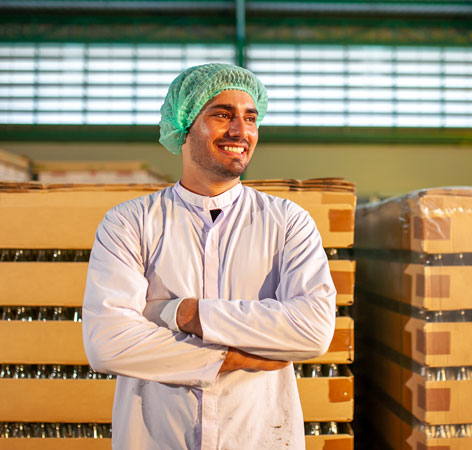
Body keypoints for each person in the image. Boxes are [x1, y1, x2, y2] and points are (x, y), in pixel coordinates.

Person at [82, 63, 337, 449]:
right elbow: (107, 342)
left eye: (250, 118)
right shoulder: (129, 222)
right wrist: (231, 358)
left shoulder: (288, 222)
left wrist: (180, 313)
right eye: (222, 114)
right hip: (156, 439)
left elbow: (313, 330)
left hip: (260, 437)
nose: (240, 130)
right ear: (184, 125)